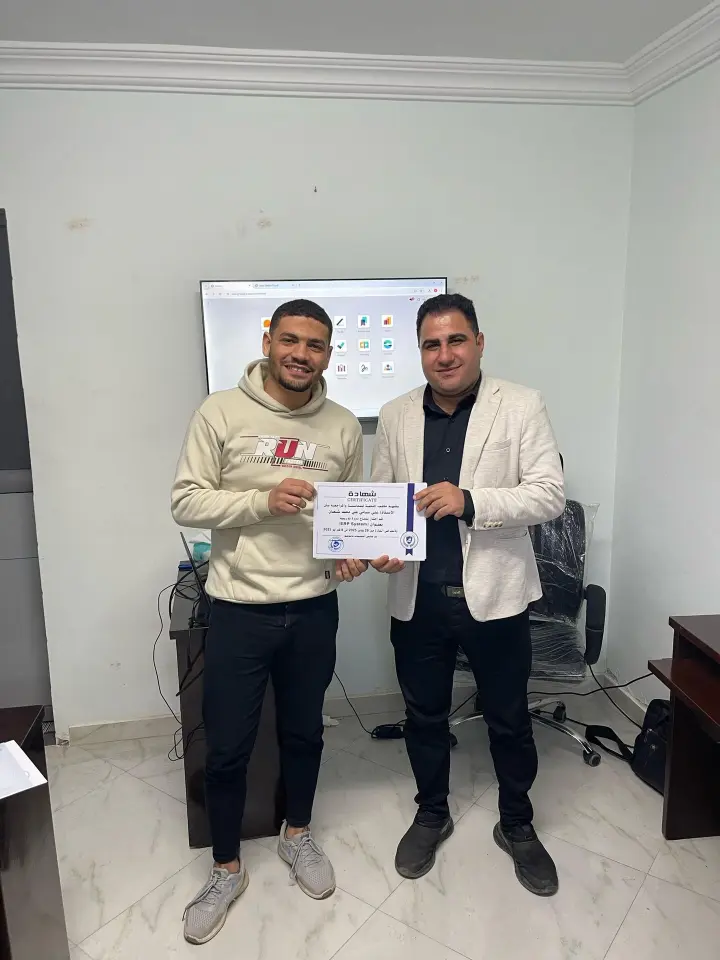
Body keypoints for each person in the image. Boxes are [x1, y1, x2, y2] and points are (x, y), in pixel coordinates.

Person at [171, 299, 366, 945]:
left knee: (304, 732)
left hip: (313, 609)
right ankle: (226, 868)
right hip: (239, 609)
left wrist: (349, 554)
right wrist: (261, 501)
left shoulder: (342, 426)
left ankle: (297, 834)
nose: (300, 354)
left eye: (314, 344)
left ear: (328, 353)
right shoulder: (220, 411)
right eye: (290, 340)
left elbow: (346, 514)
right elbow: (186, 500)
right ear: (268, 342)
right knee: (228, 746)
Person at [369, 292, 565, 897]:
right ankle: (432, 813)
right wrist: (380, 545)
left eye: (456, 340)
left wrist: (470, 500)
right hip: (418, 598)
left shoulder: (521, 404)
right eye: (431, 344)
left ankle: (517, 824)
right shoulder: (396, 414)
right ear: (419, 352)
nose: (445, 354)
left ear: (478, 343)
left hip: (496, 597)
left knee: (508, 718)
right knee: (424, 716)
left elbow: (549, 494)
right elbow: (383, 497)